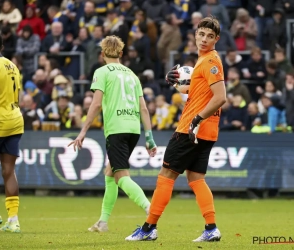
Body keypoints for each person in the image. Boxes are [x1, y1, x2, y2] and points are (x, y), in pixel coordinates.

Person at [125, 16, 226, 242]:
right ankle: (211, 228)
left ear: (216, 39)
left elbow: (221, 98)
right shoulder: (206, 60)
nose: (204, 39)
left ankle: (148, 228)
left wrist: (197, 119)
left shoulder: (210, 61)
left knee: (166, 176)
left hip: (191, 128)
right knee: (196, 178)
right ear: (196, 34)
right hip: (206, 131)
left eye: (210, 36)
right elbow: (199, 92)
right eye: (201, 34)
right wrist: (177, 84)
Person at [68, 35, 157, 232]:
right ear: (121, 53)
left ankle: (151, 210)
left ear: (102, 54)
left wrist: (83, 131)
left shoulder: (102, 72)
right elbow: (143, 107)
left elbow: (97, 103)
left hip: (116, 128)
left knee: (121, 177)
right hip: (133, 129)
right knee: (110, 174)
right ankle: (103, 222)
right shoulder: (133, 75)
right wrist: (149, 137)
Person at [0, 32, 23, 233]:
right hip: (15, 119)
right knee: (8, 171)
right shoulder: (12, 65)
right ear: (2, 46)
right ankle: (13, 220)